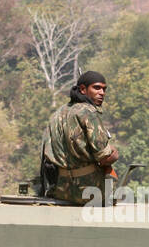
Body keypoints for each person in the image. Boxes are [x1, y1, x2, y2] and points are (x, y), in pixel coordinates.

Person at [40, 70, 119, 205]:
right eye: (97, 88)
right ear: (83, 89)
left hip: (60, 190)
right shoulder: (89, 112)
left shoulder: (58, 114)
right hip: (89, 191)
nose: (102, 93)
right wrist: (113, 153)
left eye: (104, 89)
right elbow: (104, 156)